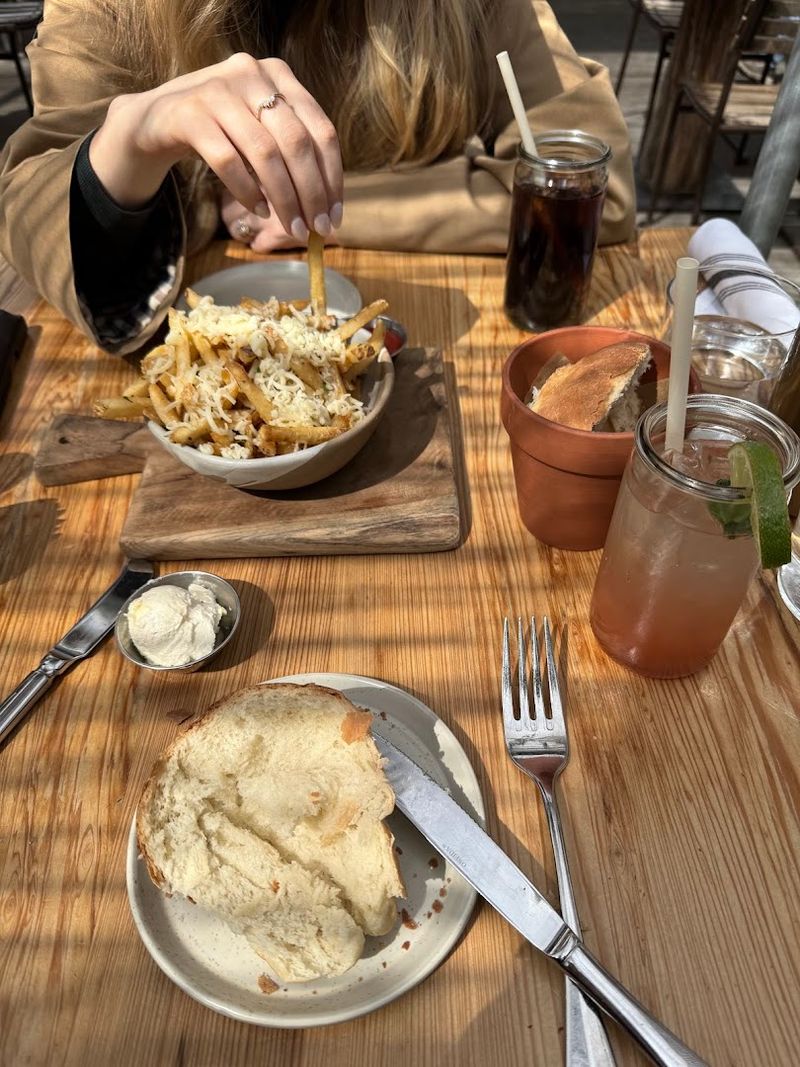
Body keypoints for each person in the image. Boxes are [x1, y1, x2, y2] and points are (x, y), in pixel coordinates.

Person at [0, 0, 635, 355]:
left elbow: (598, 187)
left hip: (455, 355)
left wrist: (325, 206)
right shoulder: (105, 9)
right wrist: (130, 143)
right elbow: (33, 207)